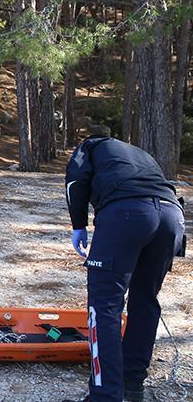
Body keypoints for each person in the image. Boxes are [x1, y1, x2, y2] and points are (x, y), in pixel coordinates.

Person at [64, 125, 185, 402]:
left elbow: (75, 182)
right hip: (172, 217)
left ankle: (105, 395)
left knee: (104, 306)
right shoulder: (140, 153)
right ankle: (132, 386)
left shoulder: (90, 147)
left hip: (127, 214)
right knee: (145, 299)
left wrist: (78, 226)